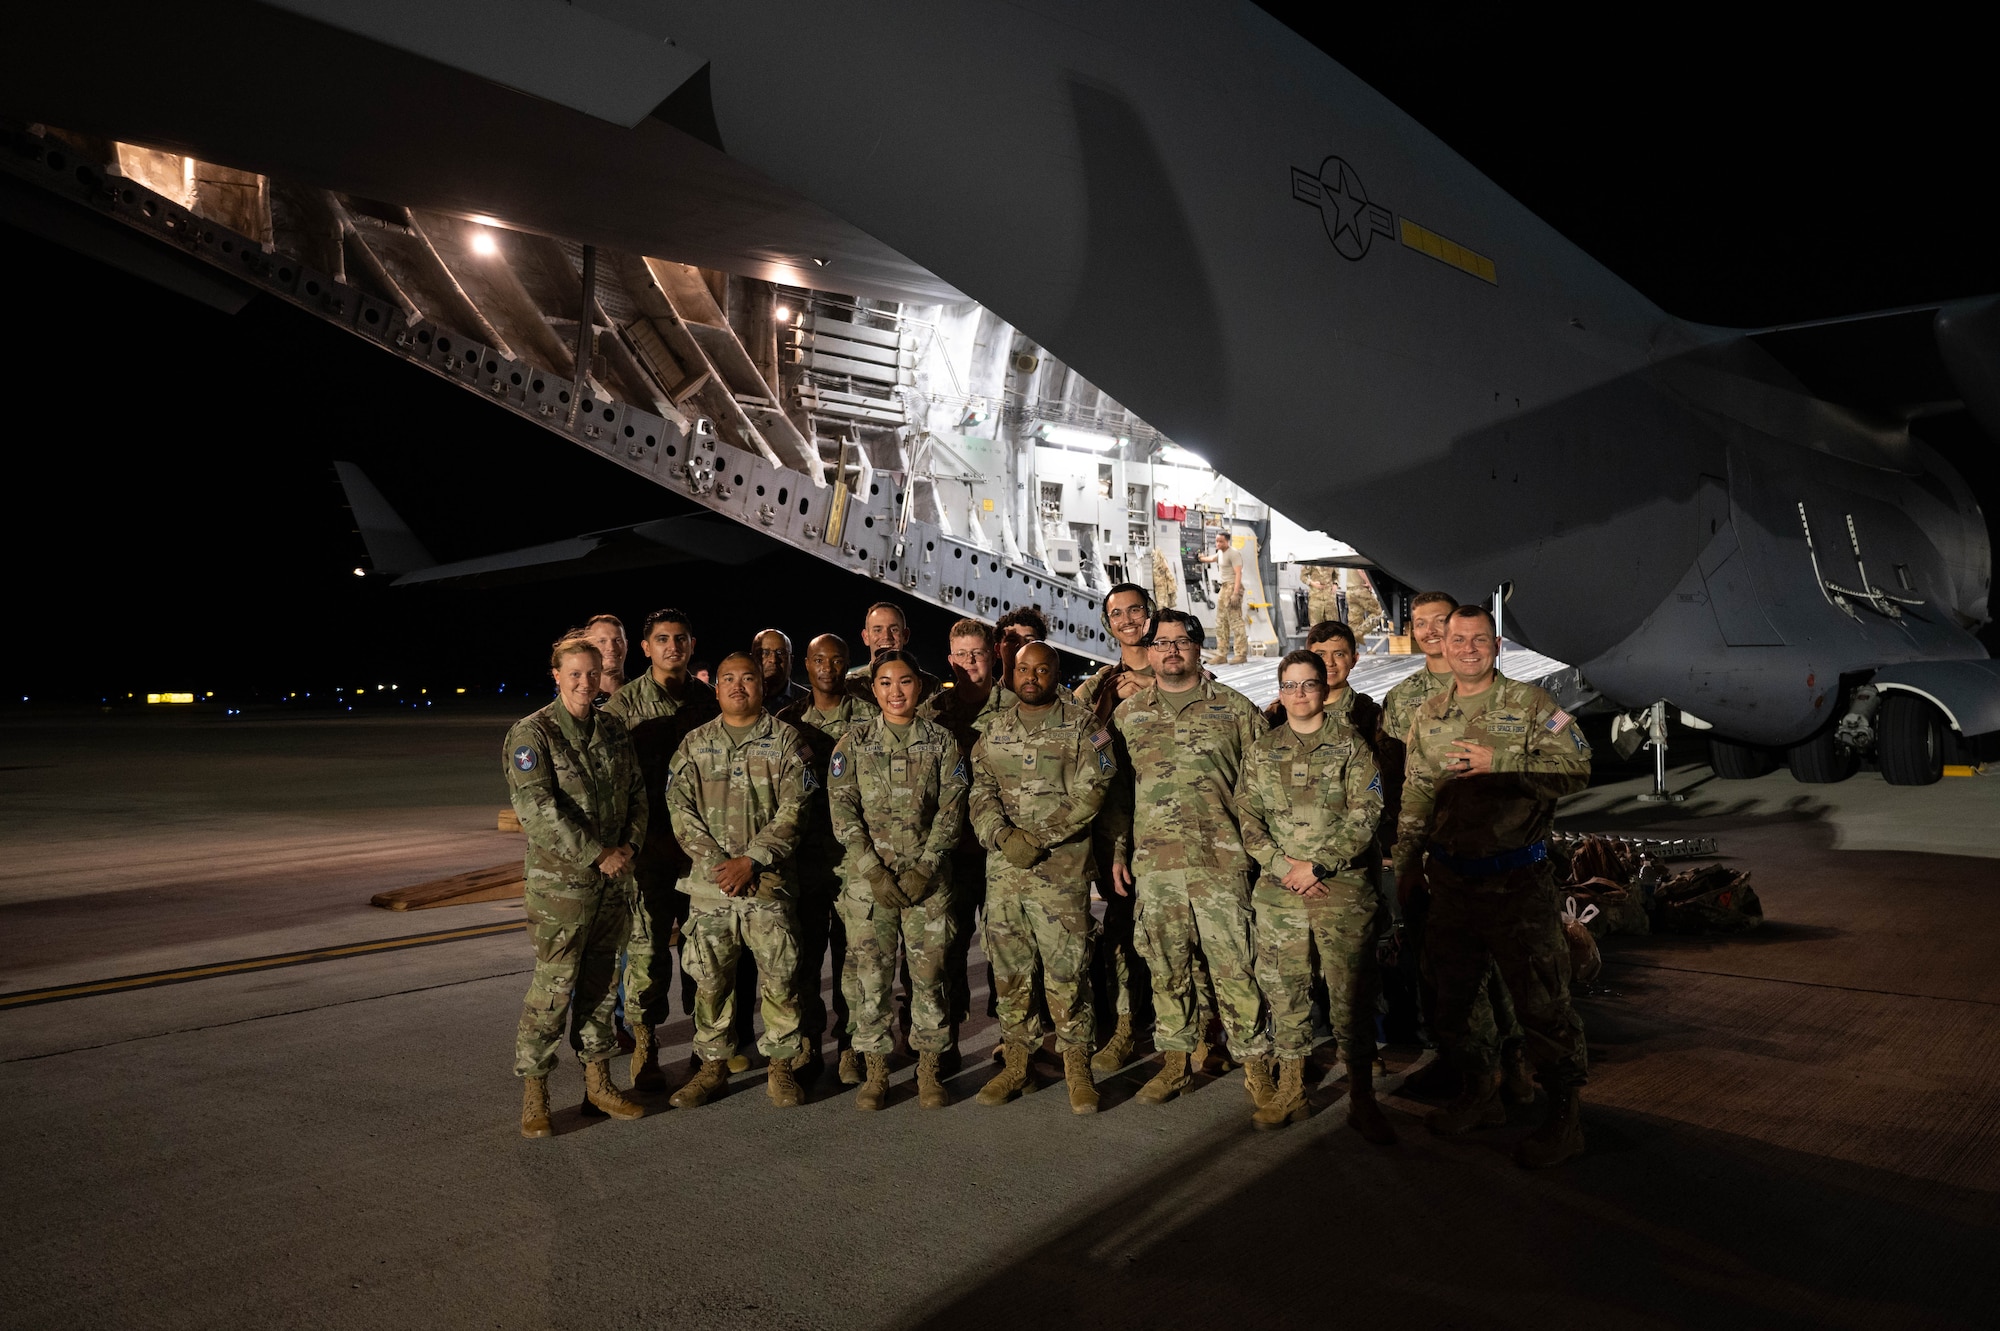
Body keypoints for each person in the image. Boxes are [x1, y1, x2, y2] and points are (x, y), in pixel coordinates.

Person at [1394, 605, 1594, 1168]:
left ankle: (1565, 1116)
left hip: (1517, 883)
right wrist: (1407, 862)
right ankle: (1481, 1095)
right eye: (1458, 639)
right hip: (1452, 883)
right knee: (1454, 1002)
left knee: (1542, 1005)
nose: (1467, 648)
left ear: (1496, 644)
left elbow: (1578, 767)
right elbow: (1416, 793)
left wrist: (1502, 759)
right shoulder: (1429, 714)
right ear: (1444, 645)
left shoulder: (1534, 707)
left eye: (1479, 639)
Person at [1103, 610, 1272, 1105]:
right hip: (1156, 867)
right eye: (1161, 643)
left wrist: (1266, 855)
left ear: (1199, 649)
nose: (1171, 650)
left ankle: (1256, 1066)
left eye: (1182, 641)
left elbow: (1262, 788)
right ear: (1148, 652)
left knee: (1236, 967)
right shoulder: (1128, 715)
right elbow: (1116, 794)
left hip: (1222, 862)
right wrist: (1116, 850)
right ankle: (1175, 1063)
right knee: (1166, 966)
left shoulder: (1236, 710)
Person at [1237, 650, 1394, 1140]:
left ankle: (1362, 1097)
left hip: (1340, 886)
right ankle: (1291, 1088)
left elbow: (1366, 815)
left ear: (1325, 690)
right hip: (1281, 890)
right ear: (1279, 692)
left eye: (1308, 685)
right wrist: (1287, 868)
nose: (1299, 694)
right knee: (1285, 991)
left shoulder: (1353, 747)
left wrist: (1318, 865)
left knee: (1350, 993)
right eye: (1289, 686)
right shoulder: (1263, 750)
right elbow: (1248, 817)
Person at [1378, 593, 1529, 1101]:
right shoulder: (1403, 699)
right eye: (1418, 623)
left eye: (1439, 622)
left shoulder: (1503, 694)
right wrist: (1404, 856)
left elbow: (1561, 764)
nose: (1429, 632)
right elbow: (1407, 782)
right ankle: (1456, 1064)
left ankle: (1513, 1065)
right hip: (1432, 854)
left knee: (1500, 968)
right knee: (1439, 966)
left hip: (1497, 856)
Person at [504, 637, 648, 1137]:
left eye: (592, 673)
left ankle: (598, 1084)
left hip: (613, 881)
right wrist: (598, 854)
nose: (585, 682)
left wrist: (628, 846)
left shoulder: (611, 728)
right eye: (575, 674)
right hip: (561, 888)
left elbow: (636, 792)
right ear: (556, 676)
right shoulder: (532, 735)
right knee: (554, 987)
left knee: (603, 985)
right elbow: (537, 811)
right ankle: (536, 1091)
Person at [969, 642, 1117, 1114]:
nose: (1031, 676)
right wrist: (1000, 835)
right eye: (1022, 669)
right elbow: (980, 791)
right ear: (1010, 673)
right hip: (1006, 873)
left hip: (1060, 872)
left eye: (1042, 669)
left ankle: (1078, 1068)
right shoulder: (992, 731)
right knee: (1011, 973)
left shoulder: (1084, 727)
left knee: (1068, 972)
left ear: (1056, 673)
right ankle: (1017, 1064)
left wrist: (1041, 836)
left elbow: (1094, 790)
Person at [664, 651, 815, 1110]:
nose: (737, 686)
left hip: (767, 886)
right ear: (717, 688)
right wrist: (719, 864)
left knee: (780, 978)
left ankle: (782, 1067)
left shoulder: (789, 742)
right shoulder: (694, 743)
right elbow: (679, 807)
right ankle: (711, 1067)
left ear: (762, 685)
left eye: (747, 678)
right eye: (727, 678)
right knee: (709, 980)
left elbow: (796, 809)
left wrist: (750, 861)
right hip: (711, 889)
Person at [827, 650, 968, 1110]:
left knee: (929, 977)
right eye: (885, 683)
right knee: (871, 978)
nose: (896, 691)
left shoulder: (942, 742)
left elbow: (954, 806)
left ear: (919, 686)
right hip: (870, 885)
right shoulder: (854, 742)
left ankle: (928, 1067)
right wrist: (871, 869)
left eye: (905, 681)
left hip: (928, 881)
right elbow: (842, 809)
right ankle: (876, 1071)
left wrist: (927, 865)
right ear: (873, 689)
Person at [602, 608, 720, 1092]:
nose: (673, 647)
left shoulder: (710, 701)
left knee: (703, 954)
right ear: (646, 648)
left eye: (681, 639)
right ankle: (646, 1045)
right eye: (663, 639)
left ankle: (702, 1044)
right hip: (646, 855)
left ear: (692, 646)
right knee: (647, 954)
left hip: (700, 854)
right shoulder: (622, 707)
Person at [775, 633, 877, 1085]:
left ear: (847, 664)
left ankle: (852, 1045)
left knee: (854, 958)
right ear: (808, 665)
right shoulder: (787, 721)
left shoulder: (871, 717)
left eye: (837, 661)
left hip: (856, 859)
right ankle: (808, 1042)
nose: (828, 668)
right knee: (805, 957)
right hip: (806, 859)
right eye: (819, 660)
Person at [921, 619, 1015, 1061]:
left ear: (994, 655)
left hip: (1002, 851)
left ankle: (1009, 1037)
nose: (969, 663)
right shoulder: (933, 712)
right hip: (952, 852)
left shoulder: (1018, 709)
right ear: (949, 659)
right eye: (961, 655)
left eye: (977, 654)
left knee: (1007, 946)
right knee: (947, 945)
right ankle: (948, 1038)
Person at [1071, 582, 1157, 1070]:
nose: (1127, 620)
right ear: (1108, 623)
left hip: (1176, 824)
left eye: (1135, 610)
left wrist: (1150, 691)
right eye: (1117, 613)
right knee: (1122, 931)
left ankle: (1194, 1032)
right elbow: (1064, 726)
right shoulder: (1100, 685)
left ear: (1150, 615)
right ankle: (1124, 1028)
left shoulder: (1179, 670)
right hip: (1118, 828)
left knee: (1180, 932)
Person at [843, 601, 941, 700]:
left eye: (894, 630)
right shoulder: (850, 686)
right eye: (877, 630)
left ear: (905, 635)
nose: (886, 636)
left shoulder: (930, 685)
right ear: (866, 637)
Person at [1199, 530, 1248, 664]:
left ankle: (1241, 653)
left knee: (1235, 621)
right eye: (1217, 541)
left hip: (1232, 587)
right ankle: (1222, 653)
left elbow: (1238, 574)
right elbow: (1212, 558)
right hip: (1224, 588)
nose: (1218, 543)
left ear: (1227, 541)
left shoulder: (1234, 553)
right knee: (1221, 622)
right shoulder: (1221, 552)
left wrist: (1236, 593)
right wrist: (1201, 558)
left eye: (1221, 541)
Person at [754, 629, 806, 711]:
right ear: (752, 658)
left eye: (780, 653)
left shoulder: (809, 701)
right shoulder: (738, 698)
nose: (773, 660)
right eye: (765, 653)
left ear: (791, 660)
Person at [581, 614, 629, 701]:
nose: (611, 648)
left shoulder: (642, 694)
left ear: (626, 645)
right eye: (602, 641)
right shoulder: (581, 701)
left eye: (617, 640)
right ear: (588, 647)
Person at [1300, 565, 1340, 630]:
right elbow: (1303, 576)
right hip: (1316, 599)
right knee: (1316, 628)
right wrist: (1312, 583)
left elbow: (1336, 575)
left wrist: (1335, 584)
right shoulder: (1312, 560)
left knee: (1332, 627)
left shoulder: (1331, 559)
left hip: (1330, 599)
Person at [1149, 544, 1178, 609]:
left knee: (1162, 603)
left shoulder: (1161, 561)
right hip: (1159, 585)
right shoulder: (1159, 561)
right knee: (1161, 603)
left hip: (1161, 586)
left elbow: (1166, 570)